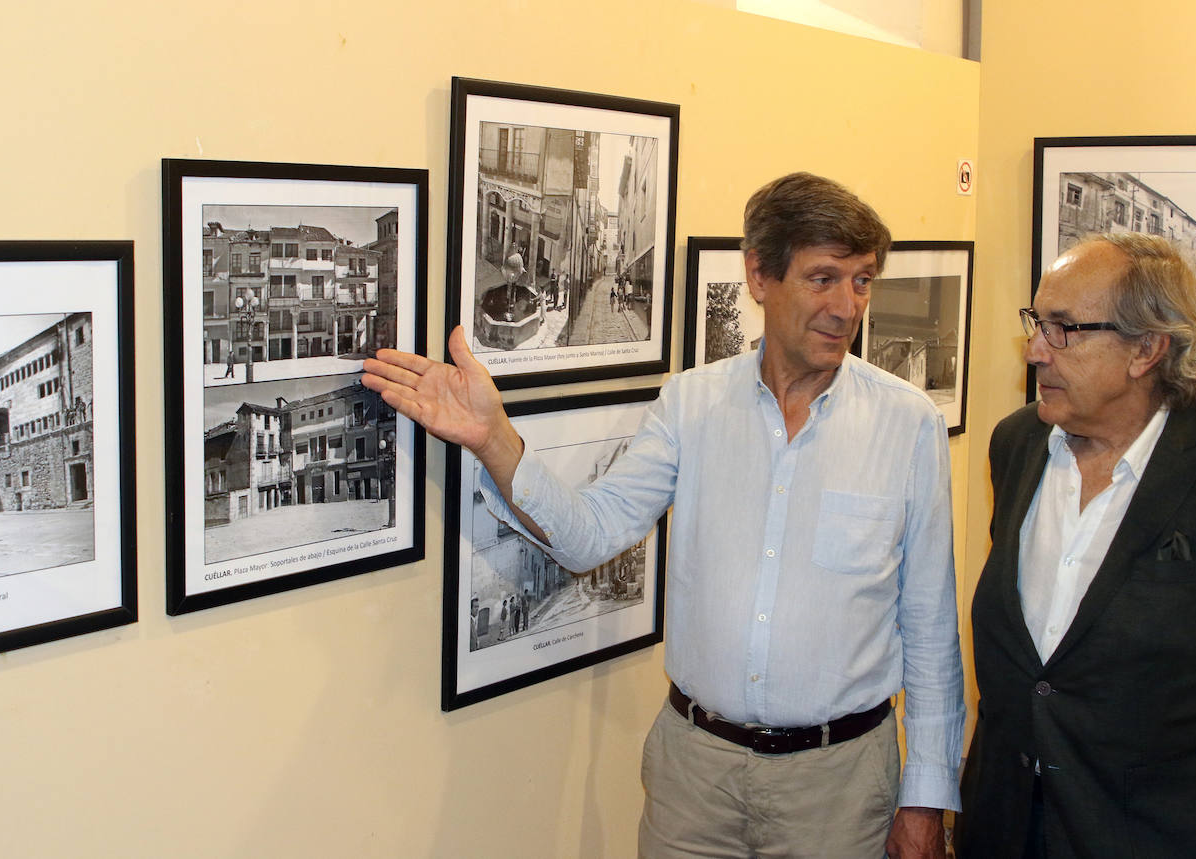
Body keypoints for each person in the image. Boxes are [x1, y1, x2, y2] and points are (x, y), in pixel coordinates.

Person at [365, 172, 963, 858]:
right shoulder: (691, 404)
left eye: (862, 280)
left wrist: (928, 796)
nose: (845, 305)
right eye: (824, 278)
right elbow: (592, 533)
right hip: (694, 777)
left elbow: (931, 631)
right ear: (760, 276)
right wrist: (492, 435)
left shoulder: (908, 424)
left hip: (841, 784)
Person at [954, 233, 1196, 858]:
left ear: (1146, 349)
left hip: (1158, 836)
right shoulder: (1016, 445)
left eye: (1064, 329)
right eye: (1037, 323)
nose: (1036, 350)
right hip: (1006, 826)